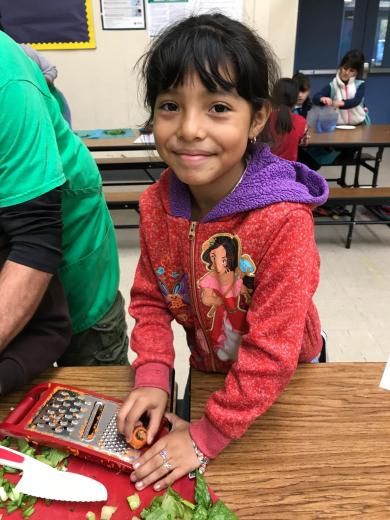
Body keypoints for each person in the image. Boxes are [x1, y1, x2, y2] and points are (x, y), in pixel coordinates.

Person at [117, 13, 328, 491]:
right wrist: (153, 374)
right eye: (171, 105)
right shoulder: (156, 206)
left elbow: (273, 355)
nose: (189, 129)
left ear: (256, 117)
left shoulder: (283, 220)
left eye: (217, 108)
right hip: (211, 370)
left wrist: (206, 436)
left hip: (290, 380)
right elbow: (151, 299)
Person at [0, 31, 128, 394]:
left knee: (99, 387)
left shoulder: (9, 82)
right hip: (28, 278)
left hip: (72, 270)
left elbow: (35, 239)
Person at [19, 43, 72, 127]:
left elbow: (51, 70)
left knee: (61, 136)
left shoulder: (23, 50)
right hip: (25, 108)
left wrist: (38, 84)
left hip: (50, 101)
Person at [312, 49, 368, 126]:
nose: (347, 72)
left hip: (358, 124)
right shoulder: (333, 86)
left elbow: (356, 101)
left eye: (351, 70)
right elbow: (315, 97)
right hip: (338, 126)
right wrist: (322, 99)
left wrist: (342, 103)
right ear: (341, 67)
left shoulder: (360, 85)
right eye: (345, 68)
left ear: (357, 72)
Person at [270, 78, 309, 161]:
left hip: (265, 170)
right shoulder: (301, 122)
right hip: (289, 171)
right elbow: (302, 140)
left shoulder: (264, 119)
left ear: (274, 96)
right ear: (295, 99)